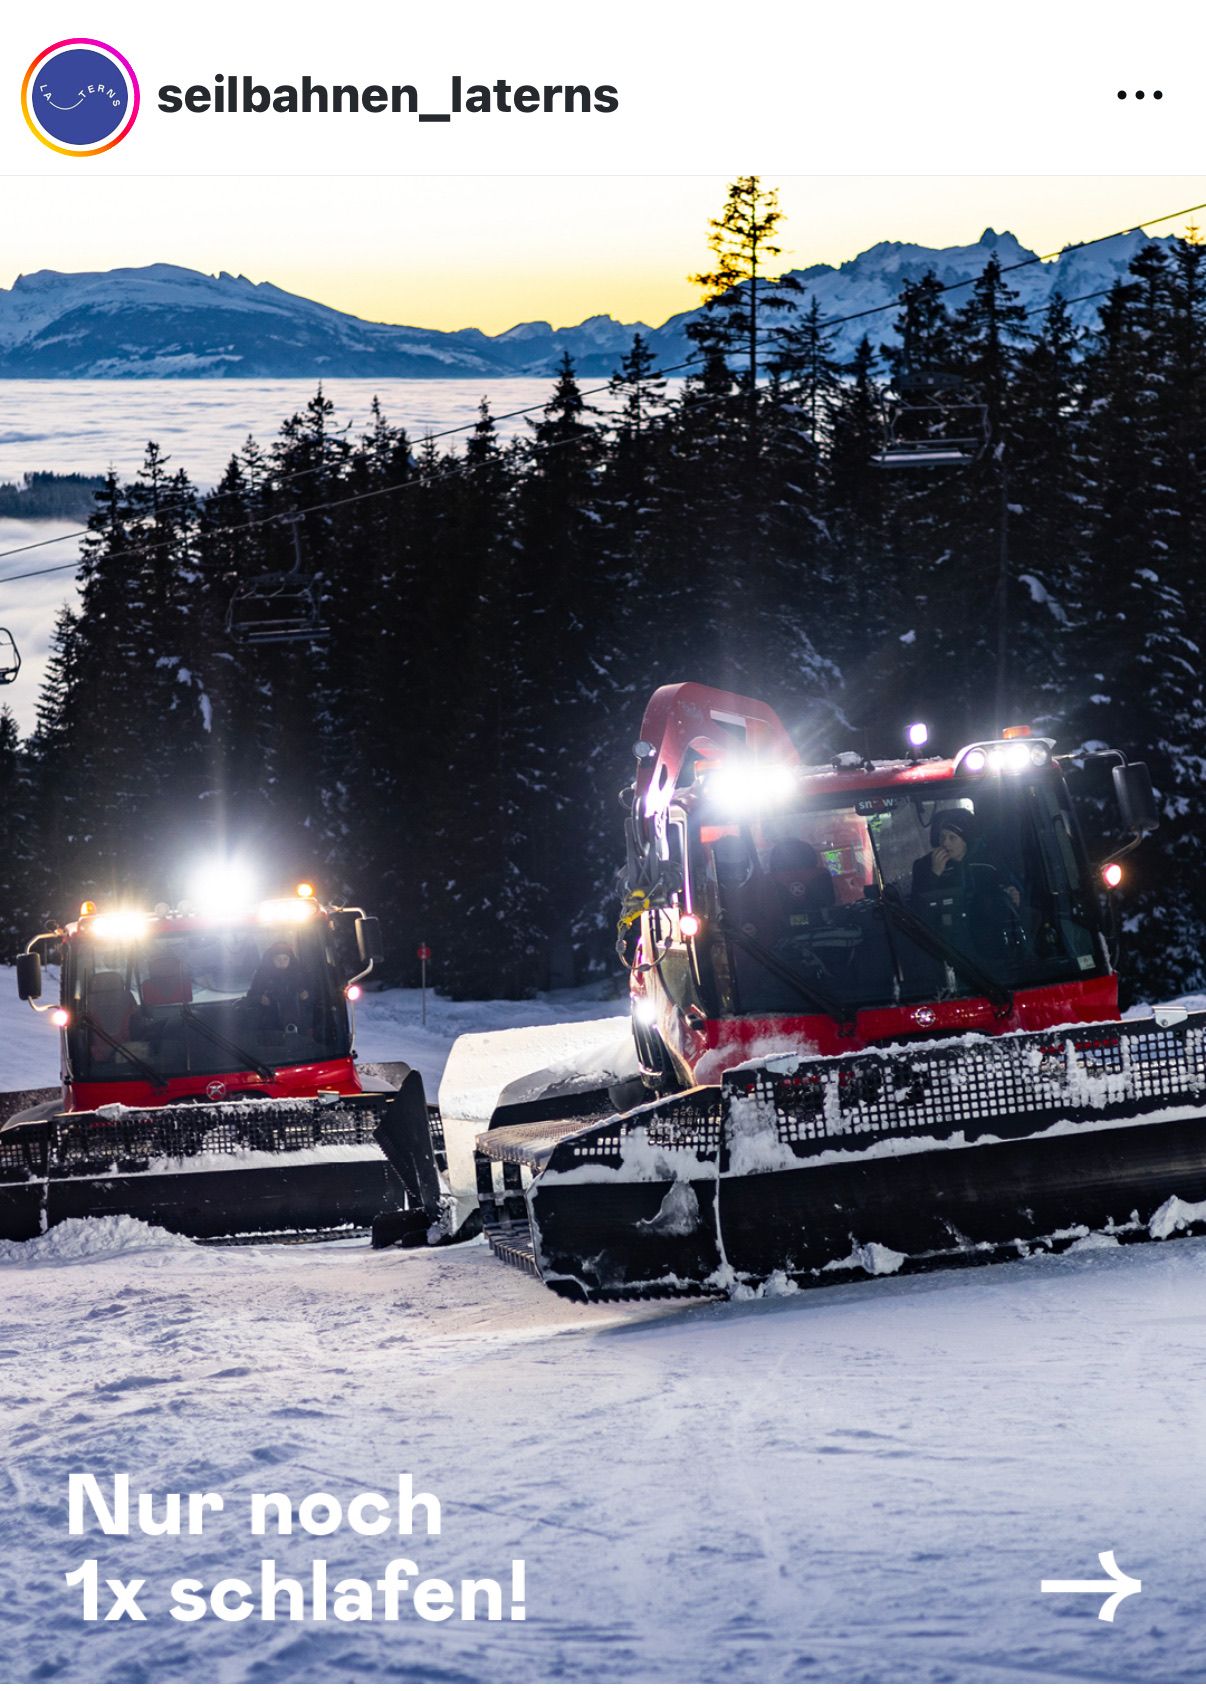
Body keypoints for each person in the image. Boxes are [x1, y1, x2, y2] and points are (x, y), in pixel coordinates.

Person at [911, 810, 1023, 962]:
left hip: (989, 942)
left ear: (966, 840)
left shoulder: (988, 863)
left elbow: (1009, 889)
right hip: (946, 944)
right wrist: (934, 873)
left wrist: (1014, 896)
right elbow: (917, 910)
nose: (945, 843)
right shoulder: (923, 866)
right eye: (942, 837)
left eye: (952, 838)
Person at [246, 943, 315, 1035]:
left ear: (290, 959)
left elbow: (315, 996)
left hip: (300, 1022)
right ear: (271, 960)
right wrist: (259, 999)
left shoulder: (300, 974)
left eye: (285, 959)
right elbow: (250, 997)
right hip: (271, 1024)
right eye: (278, 959)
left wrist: (307, 996)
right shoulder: (262, 975)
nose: (282, 962)